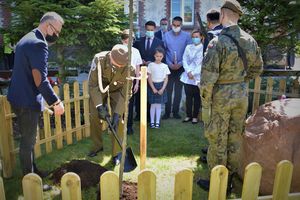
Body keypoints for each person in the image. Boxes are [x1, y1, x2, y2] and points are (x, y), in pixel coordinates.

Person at [197, 0, 263, 191]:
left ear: (223, 15)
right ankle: (232, 177)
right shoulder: (250, 40)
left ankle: (218, 182)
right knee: (235, 137)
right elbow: (258, 68)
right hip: (241, 95)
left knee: (218, 138)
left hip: (221, 96)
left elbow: (208, 79)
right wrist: (241, 81)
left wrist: (205, 101)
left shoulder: (217, 43)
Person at [7, 12, 65, 183]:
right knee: (28, 141)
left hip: (17, 96)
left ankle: (34, 171)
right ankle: (30, 181)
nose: (57, 35)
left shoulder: (27, 38)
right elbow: (40, 80)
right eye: (56, 31)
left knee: (29, 139)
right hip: (26, 100)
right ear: (48, 26)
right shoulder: (39, 44)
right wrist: (56, 102)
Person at [87, 44, 135, 165]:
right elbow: (92, 85)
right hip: (99, 86)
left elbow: (126, 93)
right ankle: (97, 146)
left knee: (118, 122)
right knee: (94, 116)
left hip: (118, 89)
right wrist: (99, 106)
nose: (119, 66)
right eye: (117, 64)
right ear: (111, 57)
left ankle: (116, 153)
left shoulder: (130, 68)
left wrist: (117, 114)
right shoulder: (99, 60)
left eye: (122, 65)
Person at [201, 9, 223, 162]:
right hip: (228, 83)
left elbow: (207, 63)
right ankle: (211, 148)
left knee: (213, 120)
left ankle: (212, 152)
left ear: (208, 21)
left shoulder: (211, 36)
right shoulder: (227, 34)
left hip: (214, 85)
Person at [133, 21, 164, 121]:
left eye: (151, 30)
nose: (149, 31)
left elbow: (161, 56)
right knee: (139, 93)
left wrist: (152, 61)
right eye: (148, 30)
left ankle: (149, 115)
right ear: (145, 29)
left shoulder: (159, 42)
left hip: (152, 71)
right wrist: (140, 60)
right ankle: (138, 114)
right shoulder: (139, 41)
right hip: (140, 70)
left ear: (154, 30)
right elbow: (135, 55)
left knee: (150, 92)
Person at [163, 16, 192, 119]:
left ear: (181, 25)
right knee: (168, 90)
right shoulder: (166, 35)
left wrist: (180, 63)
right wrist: (169, 63)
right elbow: (163, 51)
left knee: (178, 91)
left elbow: (189, 52)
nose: (176, 27)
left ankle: (175, 112)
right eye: (174, 25)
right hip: (169, 66)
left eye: (178, 25)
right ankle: (167, 112)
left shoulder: (187, 36)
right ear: (171, 24)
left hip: (181, 67)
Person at [121, 29, 143, 135]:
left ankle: (129, 126)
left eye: (132, 39)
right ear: (124, 39)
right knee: (120, 103)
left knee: (130, 104)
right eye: (129, 38)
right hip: (121, 79)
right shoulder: (118, 50)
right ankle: (119, 125)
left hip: (133, 79)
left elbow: (138, 66)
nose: (131, 40)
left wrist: (137, 83)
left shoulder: (136, 51)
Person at [181, 30, 203, 124]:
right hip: (187, 76)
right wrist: (188, 71)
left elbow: (202, 63)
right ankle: (188, 115)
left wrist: (193, 73)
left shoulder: (204, 48)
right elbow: (184, 59)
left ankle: (195, 116)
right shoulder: (188, 47)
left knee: (197, 98)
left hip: (197, 77)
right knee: (188, 97)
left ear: (201, 37)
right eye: (193, 37)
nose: (195, 38)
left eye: (197, 36)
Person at [147, 47, 170, 128]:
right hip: (152, 86)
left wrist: (162, 89)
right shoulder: (150, 65)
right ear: (154, 56)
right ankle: (152, 122)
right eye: (157, 56)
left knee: (159, 105)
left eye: (160, 56)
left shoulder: (165, 66)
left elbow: (166, 79)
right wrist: (153, 88)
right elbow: (149, 77)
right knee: (153, 105)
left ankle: (157, 122)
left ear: (163, 56)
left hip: (161, 86)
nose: (158, 58)